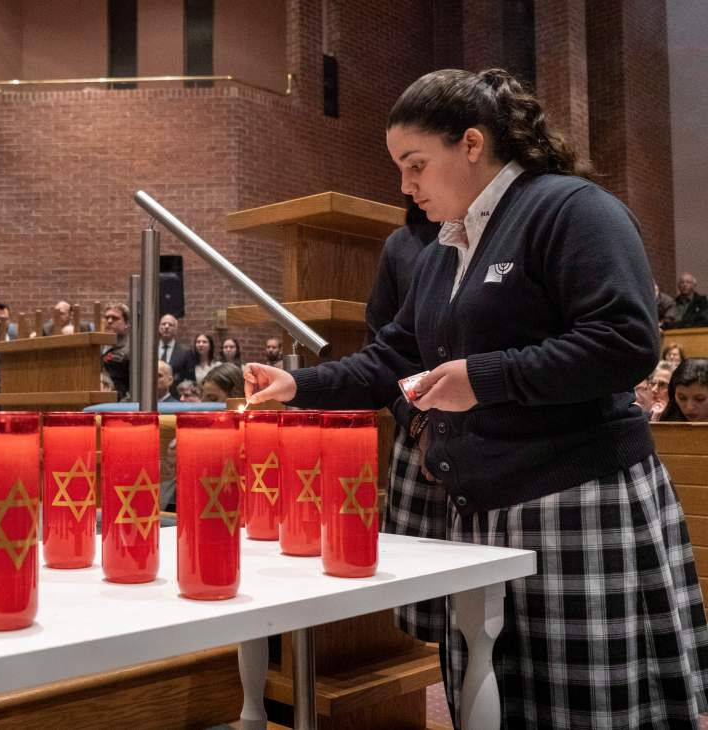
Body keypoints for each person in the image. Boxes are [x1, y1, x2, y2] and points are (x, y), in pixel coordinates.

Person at [244, 68, 708, 727]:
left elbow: (625, 340)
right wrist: (299, 385)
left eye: (415, 166)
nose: (405, 187)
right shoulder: (443, 251)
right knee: (496, 696)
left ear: (471, 144)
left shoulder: (572, 210)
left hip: (576, 497)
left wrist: (482, 379)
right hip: (485, 505)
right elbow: (393, 358)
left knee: (581, 705)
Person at [366, 198, 444, 644]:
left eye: (417, 163)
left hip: (491, 431)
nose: (407, 183)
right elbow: (383, 351)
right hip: (420, 427)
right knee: (432, 610)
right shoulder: (404, 246)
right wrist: (416, 419)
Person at [157, 314, 196, 391]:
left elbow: (191, 380)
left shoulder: (185, 352)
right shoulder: (150, 350)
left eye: (170, 325)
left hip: (176, 397)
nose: (166, 327)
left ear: (176, 329)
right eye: (163, 324)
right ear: (159, 328)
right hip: (151, 396)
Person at [100, 303, 130, 400]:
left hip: (120, 404)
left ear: (127, 324)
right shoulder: (98, 345)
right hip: (98, 400)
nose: (109, 321)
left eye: (115, 318)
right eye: (107, 317)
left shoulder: (132, 349)